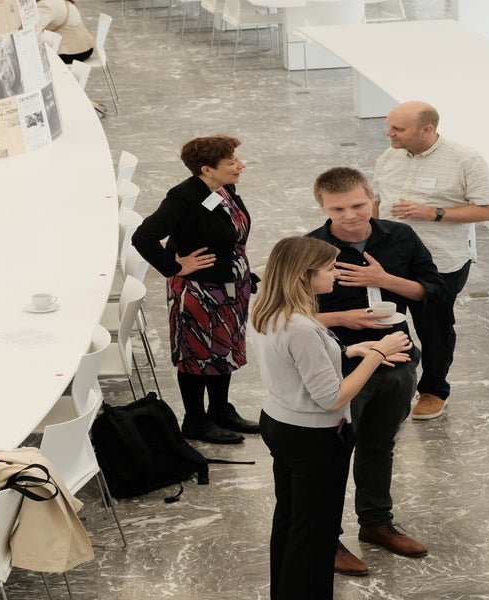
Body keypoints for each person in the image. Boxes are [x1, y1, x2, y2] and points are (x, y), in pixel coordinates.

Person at [250, 236, 412, 599]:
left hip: (279, 422)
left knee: (290, 519)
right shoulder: (303, 328)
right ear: (304, 275)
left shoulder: (267, 309)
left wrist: (352, 350)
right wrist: (379, 353)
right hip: (313, 438)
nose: (335, 275)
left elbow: (294, 362)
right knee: (315, 532)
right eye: (328, 269)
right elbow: (332, 397)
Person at [306, 167, 446, 576]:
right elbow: (287, 315)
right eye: (338, 209)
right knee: (331, 455)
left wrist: (385, 280)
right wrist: (344, 318)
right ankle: (326, 538)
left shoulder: (401, 236)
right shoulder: (311, 249)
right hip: (341, 364)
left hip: (397, 357)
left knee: (379, 446)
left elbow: (434, 291)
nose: (350, 215)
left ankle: (376, 523)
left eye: (358, 205)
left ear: (372, 198)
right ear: (322, 207)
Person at [373, 100, 489, 420]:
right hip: (389, 261)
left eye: (398, 128)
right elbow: (377, 201)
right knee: (387, 323)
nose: (389, 133)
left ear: (427, 130)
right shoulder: (389, 156)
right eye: (389, 126)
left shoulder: (465, 160)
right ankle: (390, 385)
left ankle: (433, 390)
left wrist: (432, 213)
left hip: (440, 261)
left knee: (434, 329)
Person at [133, 135, 259, 445]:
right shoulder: (183, 197)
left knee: (223, 349)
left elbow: (225, 235)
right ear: (207, 169)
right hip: (198, 292)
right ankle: (195, 420)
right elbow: (144, 236)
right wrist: (175, 266)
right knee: (196, 354)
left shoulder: (223, 189)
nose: (241, 165)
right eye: (232, 162)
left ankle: (220, 409)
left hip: (229, 287)